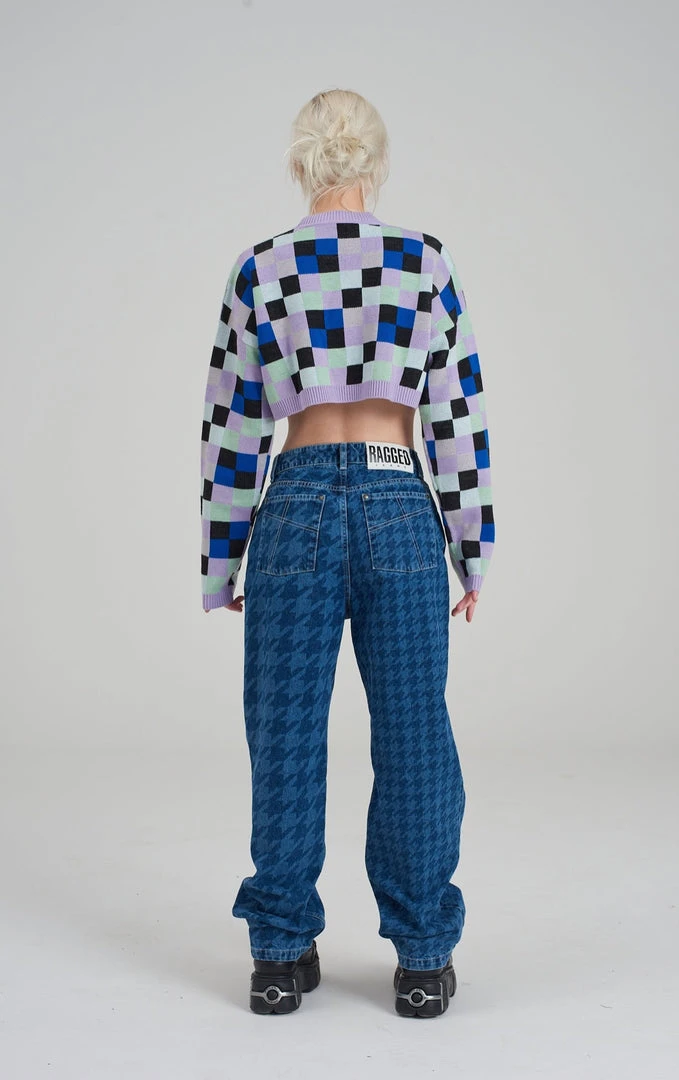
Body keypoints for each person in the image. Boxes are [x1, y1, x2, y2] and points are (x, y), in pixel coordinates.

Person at [199, 88, 495, 1018]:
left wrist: (223, 557)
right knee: (413, 735)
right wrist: (471, 548)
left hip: (294, 505)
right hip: (399, 500)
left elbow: (232, 424)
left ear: (301, 162)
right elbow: (454, 417)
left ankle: (279, 955)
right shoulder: (422, 261)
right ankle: (422, 960)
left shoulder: (261, 267)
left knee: (283, 733)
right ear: (375, 161)